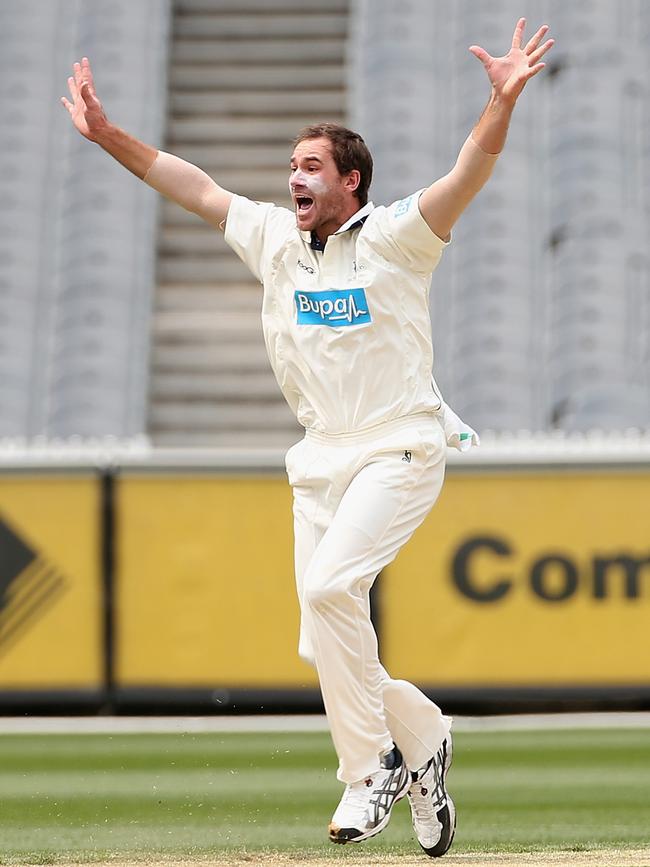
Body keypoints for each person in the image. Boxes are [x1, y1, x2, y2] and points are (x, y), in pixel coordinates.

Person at [62, 17, 553, 857]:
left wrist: (499, 101)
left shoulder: (398, 239)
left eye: (311, 166)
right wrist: (109, 135)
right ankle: (427, 740)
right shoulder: (275, 242)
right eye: (291, 164)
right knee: (322, 636)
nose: (293, 176)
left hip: (399, 442)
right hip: (320, 453)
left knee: (331, 594)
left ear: (351, 182)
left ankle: (370, 774)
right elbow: (193, 184)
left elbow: (467, 172)